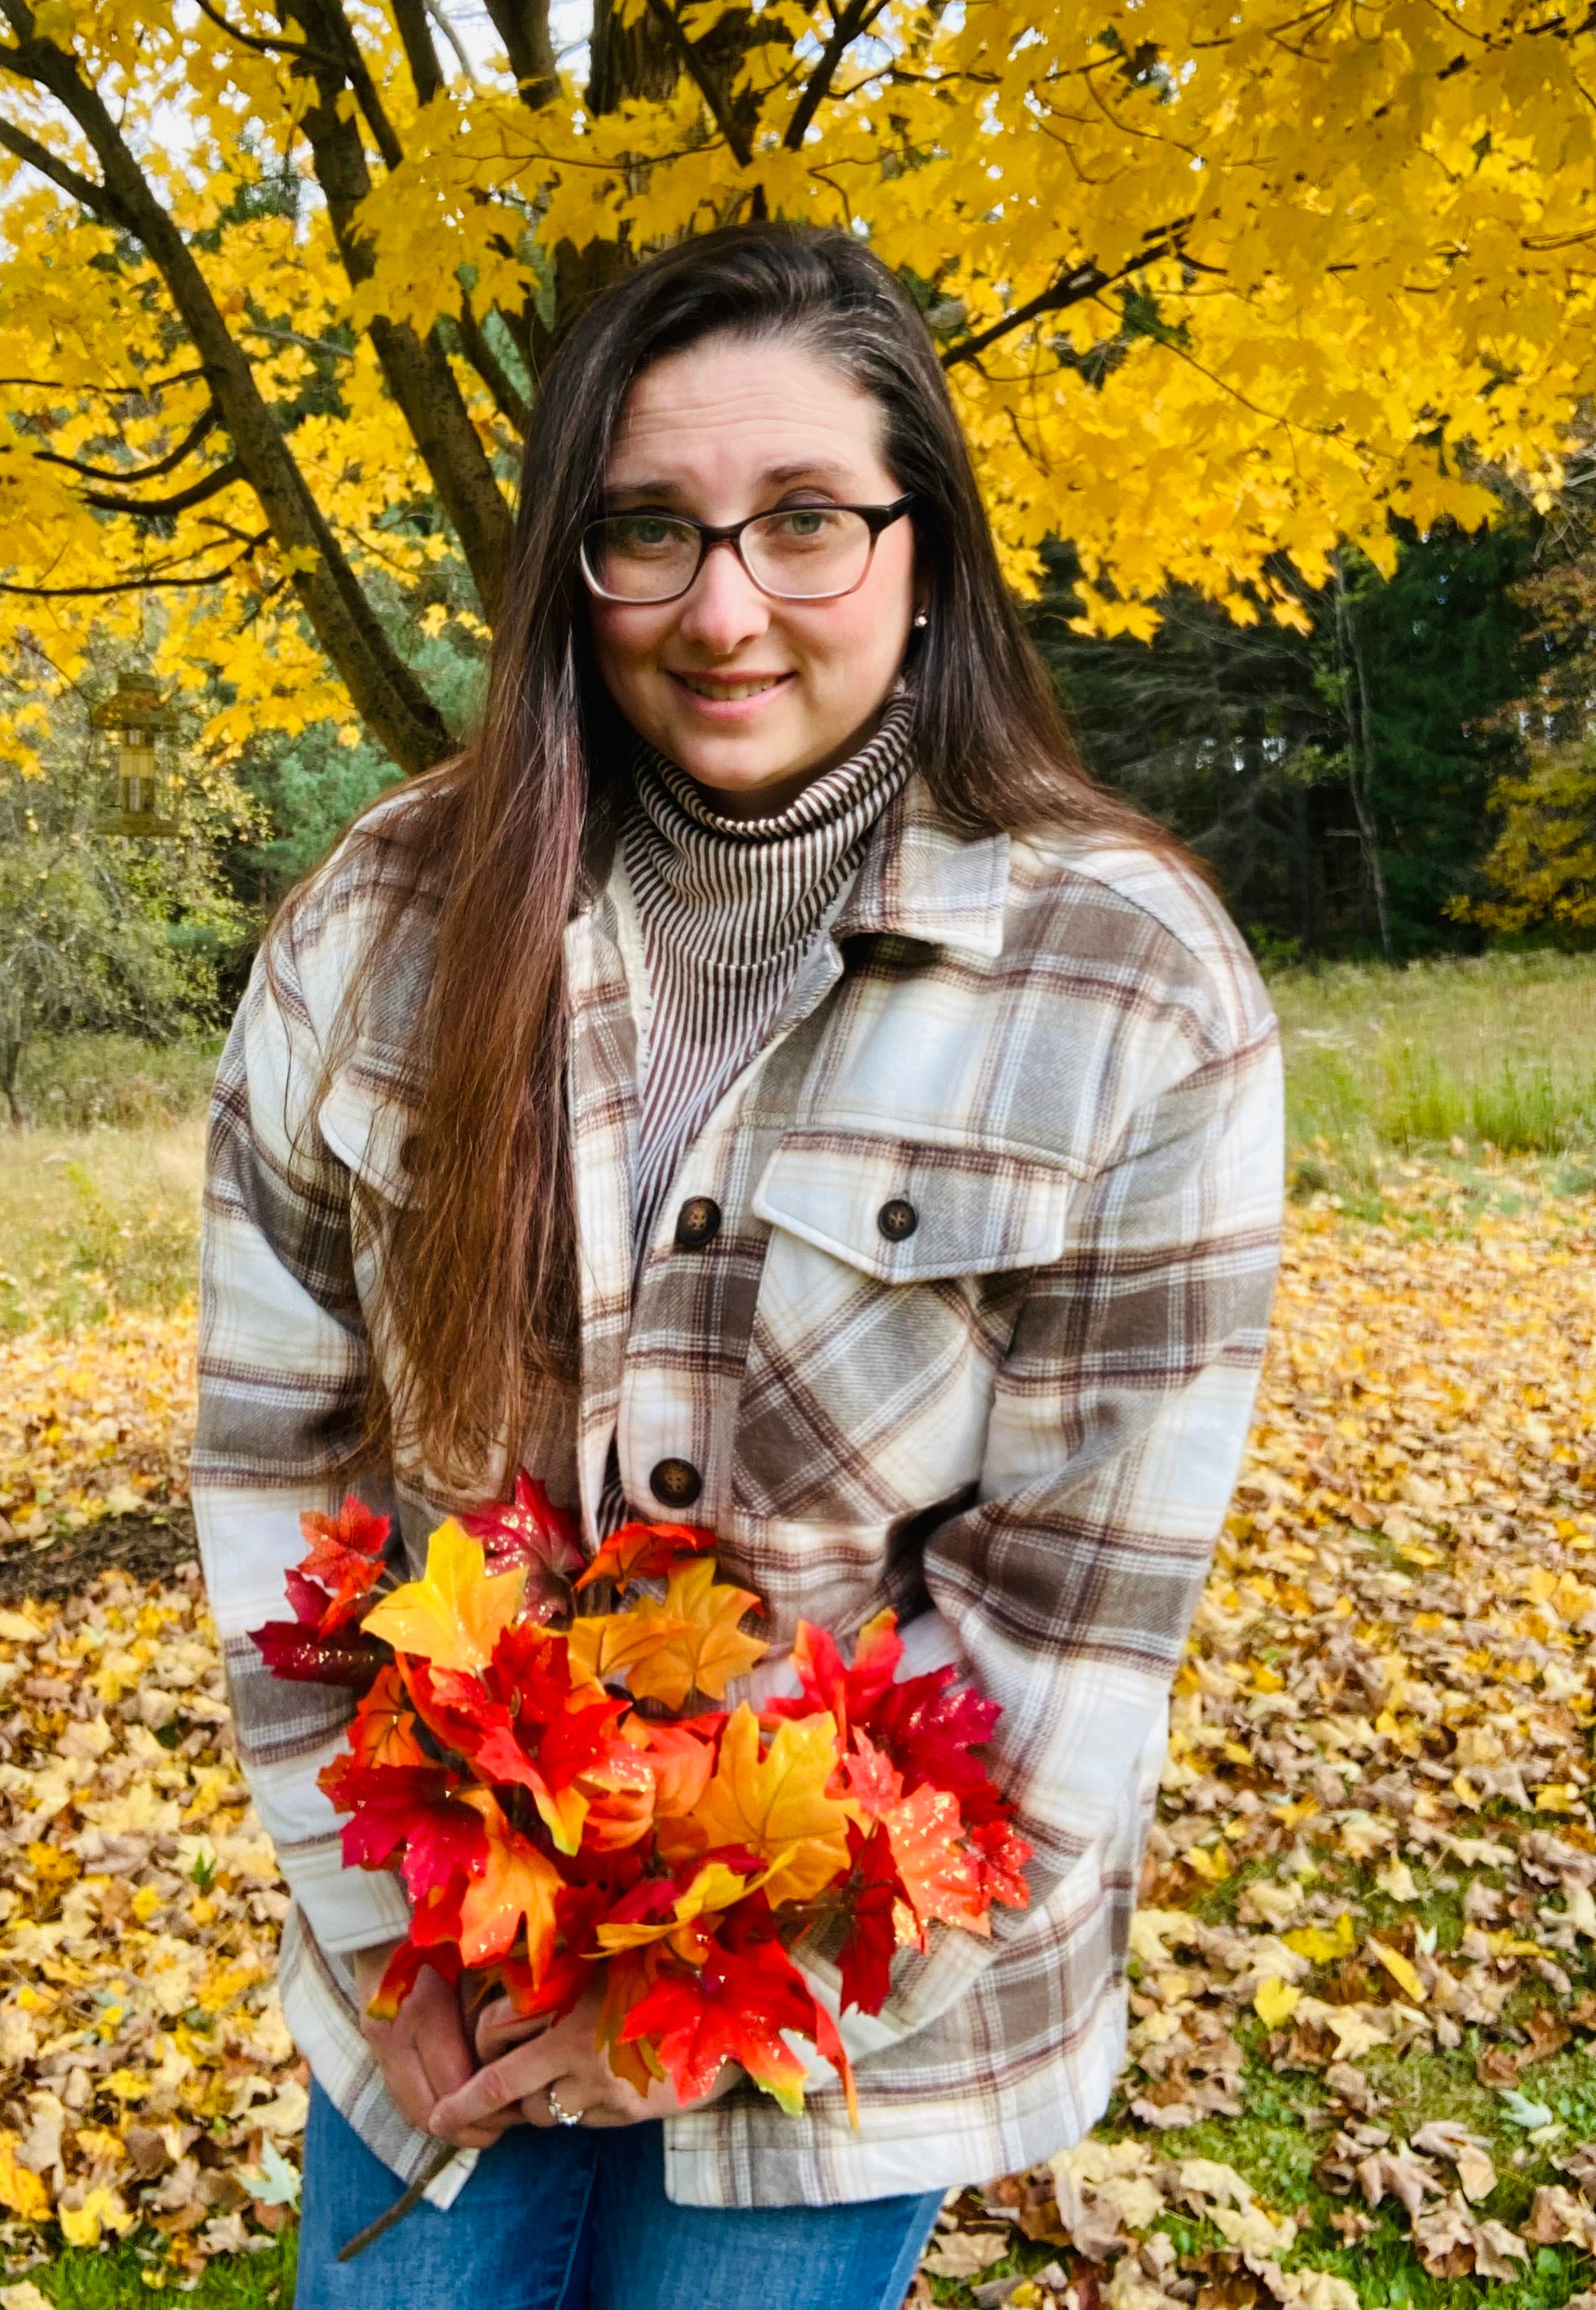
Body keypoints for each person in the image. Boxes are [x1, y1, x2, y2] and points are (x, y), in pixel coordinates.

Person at [191, 225, 1284, 2310]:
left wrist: (721, 1971)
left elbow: (1066, 1620)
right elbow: (278, 1457)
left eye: (802, 521)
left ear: (923, 549)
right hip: (440, 1964)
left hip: (830, 2018)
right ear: (566, 564)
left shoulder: (1125, 986)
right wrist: (374, 1914)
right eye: (647, 530)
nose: (721, 609)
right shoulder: (380, 923)